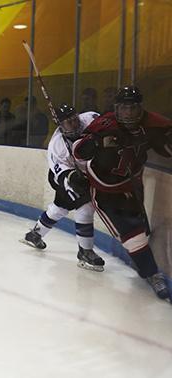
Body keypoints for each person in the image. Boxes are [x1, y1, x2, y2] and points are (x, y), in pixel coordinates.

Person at [73, 85, 172, 301]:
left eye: (132, 108)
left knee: (141, 231)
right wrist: (97, 142)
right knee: (132, 237)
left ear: (140, 108)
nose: (127, 113)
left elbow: (165, 135)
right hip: (104, 190)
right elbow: (78, 151)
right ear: (116, 108)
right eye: (123, 108)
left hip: (132, 185)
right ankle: (153, 274)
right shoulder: (105, 124)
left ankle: (143, 263)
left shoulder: (151, 122)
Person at [23, 104, 105, 271]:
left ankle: (35, 234)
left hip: (83, 173)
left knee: (60, 207)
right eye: (68, 122)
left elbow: (107, 125)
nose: (74, 124)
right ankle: (85, 251)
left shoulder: (90, 117)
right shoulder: (57, 145)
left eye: (74, 118)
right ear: (60, 125)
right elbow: (61, 174)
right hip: (65, 177)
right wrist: (74, 178)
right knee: (85, 205)